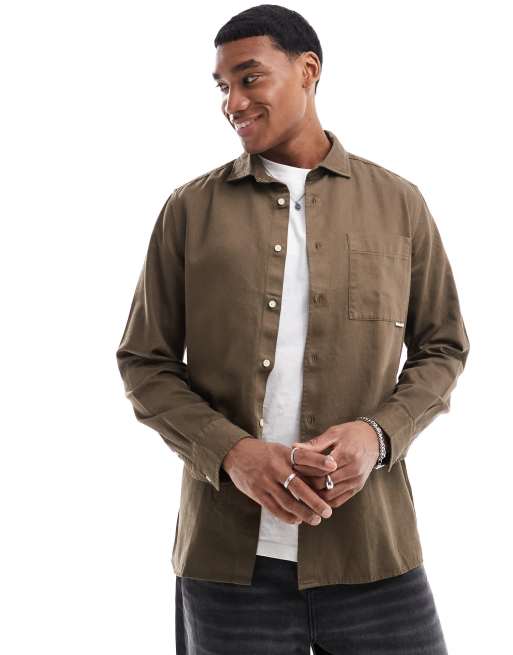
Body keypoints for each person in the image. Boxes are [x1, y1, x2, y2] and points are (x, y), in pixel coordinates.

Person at [116, 5, 470, 653]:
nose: (232, 102)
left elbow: (442, 346)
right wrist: (232, 453)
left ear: (308, 70)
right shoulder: (189, 210)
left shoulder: (399, 203)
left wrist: (377, 435)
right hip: (227, 564)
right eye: (223, 86)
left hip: (373, 552)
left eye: (249, 78)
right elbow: (144, 362)